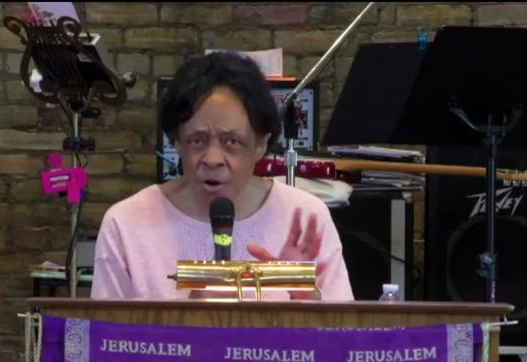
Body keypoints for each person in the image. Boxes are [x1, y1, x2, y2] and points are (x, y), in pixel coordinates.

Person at [90, 51, 353, 301]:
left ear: (261, 144)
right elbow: (103, 332)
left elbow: (346, 329)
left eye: (231, 142)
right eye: (197, 140)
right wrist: (186, 317)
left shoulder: (306, 217)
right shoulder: (126, 223)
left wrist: (309, 304)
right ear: (177, 141)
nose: (212, 159)